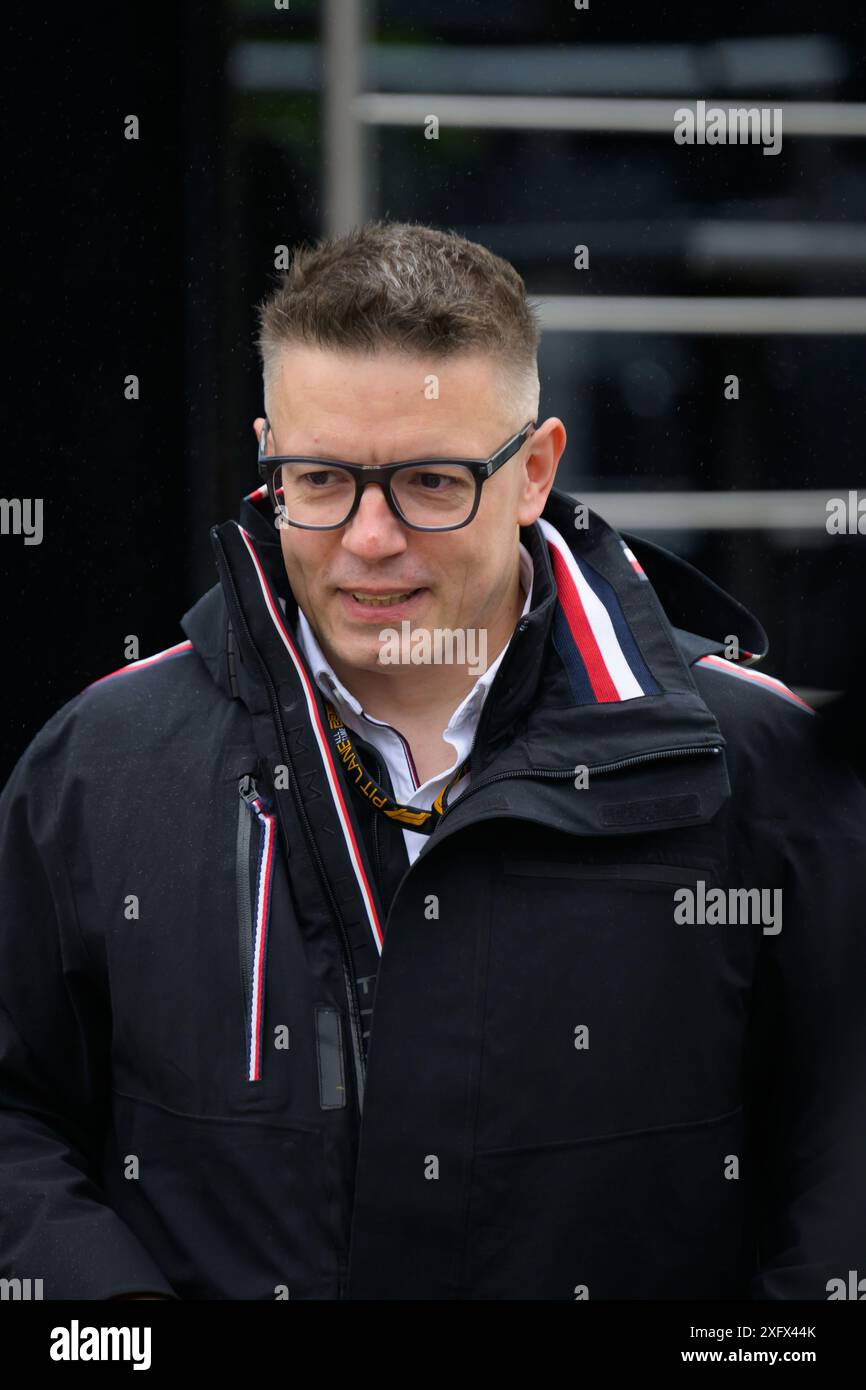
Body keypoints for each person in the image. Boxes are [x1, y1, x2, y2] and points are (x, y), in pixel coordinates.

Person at [1, 220, 864, 1301]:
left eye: (428, 481)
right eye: (317, 479)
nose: (368, 536)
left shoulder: (758, 760)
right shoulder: (100, 759)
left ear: (534, 470)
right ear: (267, 453)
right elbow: (17, 1114)